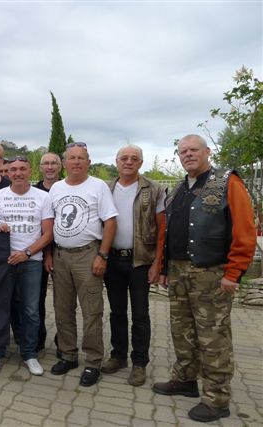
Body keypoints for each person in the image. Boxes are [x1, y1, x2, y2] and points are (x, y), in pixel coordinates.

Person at [152, 134, 256, 423]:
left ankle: (216, 399)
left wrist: (233, 273)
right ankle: (185, 379)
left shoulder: (227, 182)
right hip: (178, 272)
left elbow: (245, 230)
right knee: (181, 330)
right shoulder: (178, 189)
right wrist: (163, 267)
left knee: (213, 337)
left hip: (212, 274)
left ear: (207, 151)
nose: (187, 154)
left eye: (193, 149)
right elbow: (167, 231)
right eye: (183, 151)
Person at [46, 142, 118, 387]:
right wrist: (49, 255)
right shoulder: (56, 188)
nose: (76, 161)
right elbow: (50, 223)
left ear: (88, 162)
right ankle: (68, 355)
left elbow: (110, 222)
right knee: (62, 309)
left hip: (87, 255)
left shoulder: (98, 186)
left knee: (91, 311)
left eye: (81, 158)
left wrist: (102, 256)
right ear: (64, 163)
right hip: (60, 256)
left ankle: (93, 361)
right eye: (71, 158)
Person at [101, 145, 166, 387]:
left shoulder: (154, 189)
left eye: (134, 158)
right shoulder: (106, 188)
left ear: (141, 163)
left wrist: (157, 262)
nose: (128, 162)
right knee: (117, 312)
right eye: (124, 158)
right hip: (112, 260)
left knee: (140, 314)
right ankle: (118, 356)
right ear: (116, 161)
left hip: (140, 261)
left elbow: (162, 229)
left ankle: (139, 363)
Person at [0, 156, 52, 377]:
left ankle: (29, 354)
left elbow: (48, 233)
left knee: (31, 311)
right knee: (0, 308)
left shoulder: (43, 197)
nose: (18, 173)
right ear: (8, 173)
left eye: (22, 169)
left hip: (31, 262)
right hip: (3, 262)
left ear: (30, 171)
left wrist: (27, 253)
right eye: (13, 169)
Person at [34, 152, 63, 353]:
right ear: (40, 167)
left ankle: (64, 341)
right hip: (39, 252)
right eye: (46, 163)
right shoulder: (34, 191)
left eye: (54, 163)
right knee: (37, 299)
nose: (50, 167)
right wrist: (46, 254)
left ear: (60, 166)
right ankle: (38, 337)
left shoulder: (67, 188)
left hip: (63, 252)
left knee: (63, 301)